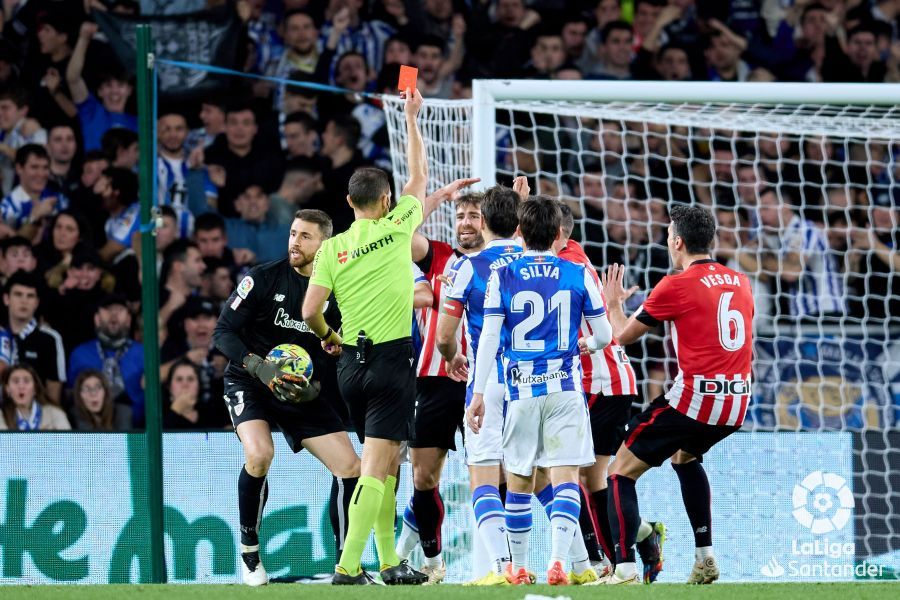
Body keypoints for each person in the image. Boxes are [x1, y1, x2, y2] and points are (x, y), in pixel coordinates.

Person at [302, 89, 435, 586]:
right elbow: (419, 179)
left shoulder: (331, 249)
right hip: (389, 363)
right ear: (385, 201)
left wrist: (328, 336)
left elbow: (309, 310)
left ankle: (387, 561)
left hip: (348, 369)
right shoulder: (398, 226)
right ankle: (347, 567)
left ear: (347, 202)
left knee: (385, 466)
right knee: (376, 470)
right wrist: (411, 118)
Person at [600, 204, 754, 585]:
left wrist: (614, 304)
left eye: (669, 235)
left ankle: (624, 570)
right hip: (738, 402)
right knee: (685, 458)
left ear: (678, 242)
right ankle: (705, 558)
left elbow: (622, 337)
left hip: (696, 399)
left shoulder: (675, 284)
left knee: (619, 472)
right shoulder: (740, 281)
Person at [467, 195, 612, 586]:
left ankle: (517, 567)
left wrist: (478, 394)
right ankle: (560, 562)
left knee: (519, 479)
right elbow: (605, 334)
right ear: (558, 234)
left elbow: (489, 339)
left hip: (520, 392)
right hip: (565, 390)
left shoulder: (503, 275)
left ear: (519, 231)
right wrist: (587, 345)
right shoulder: (577, 272)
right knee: (565, 476)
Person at [213, 209, 361, 586]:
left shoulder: (339, 290)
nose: (295, 241)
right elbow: (224, 332)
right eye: (293, 233)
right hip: (250, 380)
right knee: (260, 454)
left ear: (324, 244)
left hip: (298, 390)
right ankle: (249, 551)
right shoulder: (263, 278)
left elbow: (339, 346)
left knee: (351, 468)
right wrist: (259, 367)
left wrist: (330, 362)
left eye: (305, 236)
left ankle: (347, 566)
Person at [553, 201, 664, 583]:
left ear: (559, 233)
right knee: (586, 477)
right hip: (595, 382)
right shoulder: (565, 262)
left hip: (601, 382)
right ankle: (638, 541)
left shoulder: (568, 260)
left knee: (578, 475)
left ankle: (616, 564)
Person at [434, 184, 522, 584]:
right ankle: (577, 564)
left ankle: (503, 568)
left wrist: (452, 356)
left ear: (483, 221)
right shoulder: (543, 260)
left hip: (489, 383)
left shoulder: (466, 266)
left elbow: (443, 336)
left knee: (483, 474)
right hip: (539, 383)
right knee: (536, 479)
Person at [68, 294, 145, 428]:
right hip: (89, 430)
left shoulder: (144, 353)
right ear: (97, 319)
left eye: (120, 310)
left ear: (128, 320)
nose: (114, 315)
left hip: (137, 430)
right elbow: (71, 395)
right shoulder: (80, 354)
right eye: (108, 310)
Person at [4, 270, 66, 404]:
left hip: (36, 414)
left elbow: (54, 390)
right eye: (18, 294)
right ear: (6, 299)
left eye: (30, 296)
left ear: (36, 302)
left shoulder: (49, 339)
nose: (24, 301)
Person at [0, 363, 70, 430]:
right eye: (16, 381)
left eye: (26, 381)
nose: (21, 386)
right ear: (7, 389)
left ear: (35, 388)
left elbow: (68, 441)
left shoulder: (54, 414)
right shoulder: (2, 415)